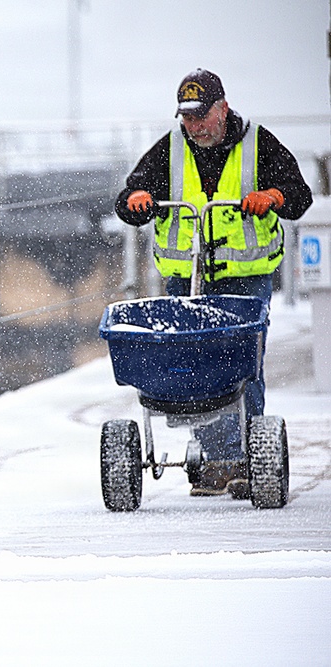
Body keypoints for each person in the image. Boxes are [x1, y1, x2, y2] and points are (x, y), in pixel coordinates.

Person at [115, 69, 313, 496]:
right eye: (187, 118)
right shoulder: (168, 150)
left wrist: (273, 197)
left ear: (222, 108)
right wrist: (135, 203)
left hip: (245, 281)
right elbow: (128, 199)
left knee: (240, 368)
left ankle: (245, 458)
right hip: (186, 278)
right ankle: (218, 460)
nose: (194, 126)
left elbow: (299, 195)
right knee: (195, 368)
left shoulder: (259, 144)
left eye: (202, 116)